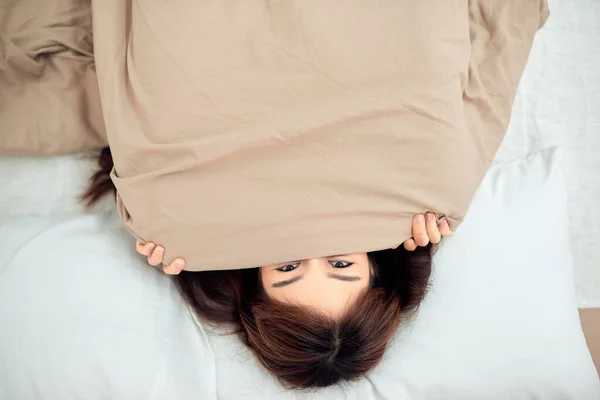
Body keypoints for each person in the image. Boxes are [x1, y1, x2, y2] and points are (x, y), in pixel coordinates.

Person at [82, 152, 453, 388]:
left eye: (288, 266)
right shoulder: (402, 200)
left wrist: (160, 213)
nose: (312, 245)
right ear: (375, 264)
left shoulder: (210, 216)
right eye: (339, 263)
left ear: (255, 276)